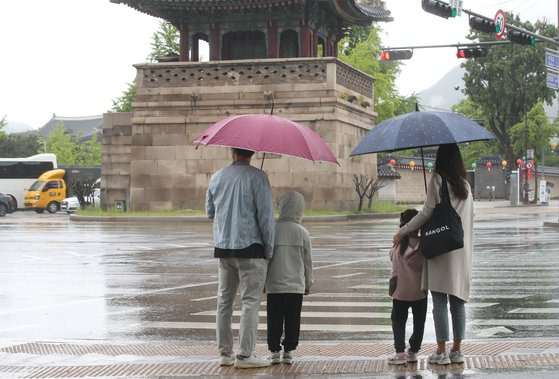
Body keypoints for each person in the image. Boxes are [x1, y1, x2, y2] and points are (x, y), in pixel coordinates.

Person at [393, 143, 474, 365]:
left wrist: (403, 231)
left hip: (441, 250)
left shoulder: (438, 180)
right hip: (461, 251)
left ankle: (441, 352)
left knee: (440, 302)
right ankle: (457, 350)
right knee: (458, 302)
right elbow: (470, 221)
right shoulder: (466, 186)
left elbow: (427, 212)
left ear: (440, 159)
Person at [206, 147, 275, 369]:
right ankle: (245, 355)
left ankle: (225, 354)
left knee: (224, 302)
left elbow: (210, 212)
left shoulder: (217, 177)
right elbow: (266, 217)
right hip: (251, 248)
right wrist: (270, 250)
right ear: (253, 152)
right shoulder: (258, 177)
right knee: (250, 302)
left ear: (232, 150)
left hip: (223, 248)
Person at [265, 191, 313, 365]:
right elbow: (308, 262)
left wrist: (263, 282)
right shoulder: (302, 232)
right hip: (295, 285)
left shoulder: (271, 230)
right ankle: (289, 352)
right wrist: (308, 283)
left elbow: (266, 259)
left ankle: (274, 352)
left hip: (274, 285)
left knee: (274, 319)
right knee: (293, 319)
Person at [388, 209, 427, 365]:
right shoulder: (424, 244)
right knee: (419, 322)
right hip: (419, 291)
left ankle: (400, 353)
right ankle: (413, 351)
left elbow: (391, 257)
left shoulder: (398, 244)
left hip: (399, 291)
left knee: (398, 321)